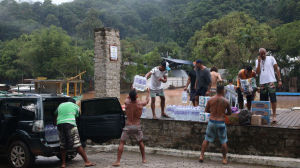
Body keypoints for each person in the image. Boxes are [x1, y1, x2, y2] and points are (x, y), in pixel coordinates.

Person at [112, 88, 150, 166]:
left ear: (130, 96)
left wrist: (130, 92)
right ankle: (144, 158)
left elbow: (127, 97)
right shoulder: (140, 104)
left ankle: (118, 161)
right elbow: (147, 101)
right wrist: (148, 93)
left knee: (122, 143)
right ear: (137, 96)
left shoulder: (126, 103)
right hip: (137, 126)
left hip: (128, 127)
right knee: (140, 142)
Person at [54, 98, 96, 168]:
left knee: (63, 144)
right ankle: (87, 162)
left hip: (60, 125)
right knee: (77, 144)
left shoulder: (60, 105)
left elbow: (55, 114)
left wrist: (55, 123)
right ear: (74, 103)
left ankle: (63, 164)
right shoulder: (76, 106)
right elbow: (76, 117)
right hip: (70, 125)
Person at [199, 85, 232, 164]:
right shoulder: (226, 101)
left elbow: (206, 110)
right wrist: (223, 113)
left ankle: (201, 156)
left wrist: (213, 113)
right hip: (221, 122)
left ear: (216, 91)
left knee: (206, 139)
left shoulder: (210, 100)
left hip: (212, 121)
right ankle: (224, 159)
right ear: (223, 91)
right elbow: (230, 113)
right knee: (223, 141)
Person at [256, 48, 282, 122]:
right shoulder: (257, 61)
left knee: (273, 100)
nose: (263, 55)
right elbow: (257, 72)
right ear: (259, 54)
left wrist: (279, 80)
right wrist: (258, 62)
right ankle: (265, 116)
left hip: (271, 81)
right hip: (262, 83)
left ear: (266, 53)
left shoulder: (271, 58)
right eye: (262, 54)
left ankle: (274, 116)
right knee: (263, 101)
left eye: (264, 53)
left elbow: (277, 69)